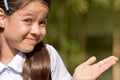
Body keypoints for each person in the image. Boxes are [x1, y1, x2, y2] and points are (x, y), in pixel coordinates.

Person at [0, 0, 118, 80]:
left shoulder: (48, 56)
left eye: (42, 22)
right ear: (2, 17)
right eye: (28, 20)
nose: (36, 30)